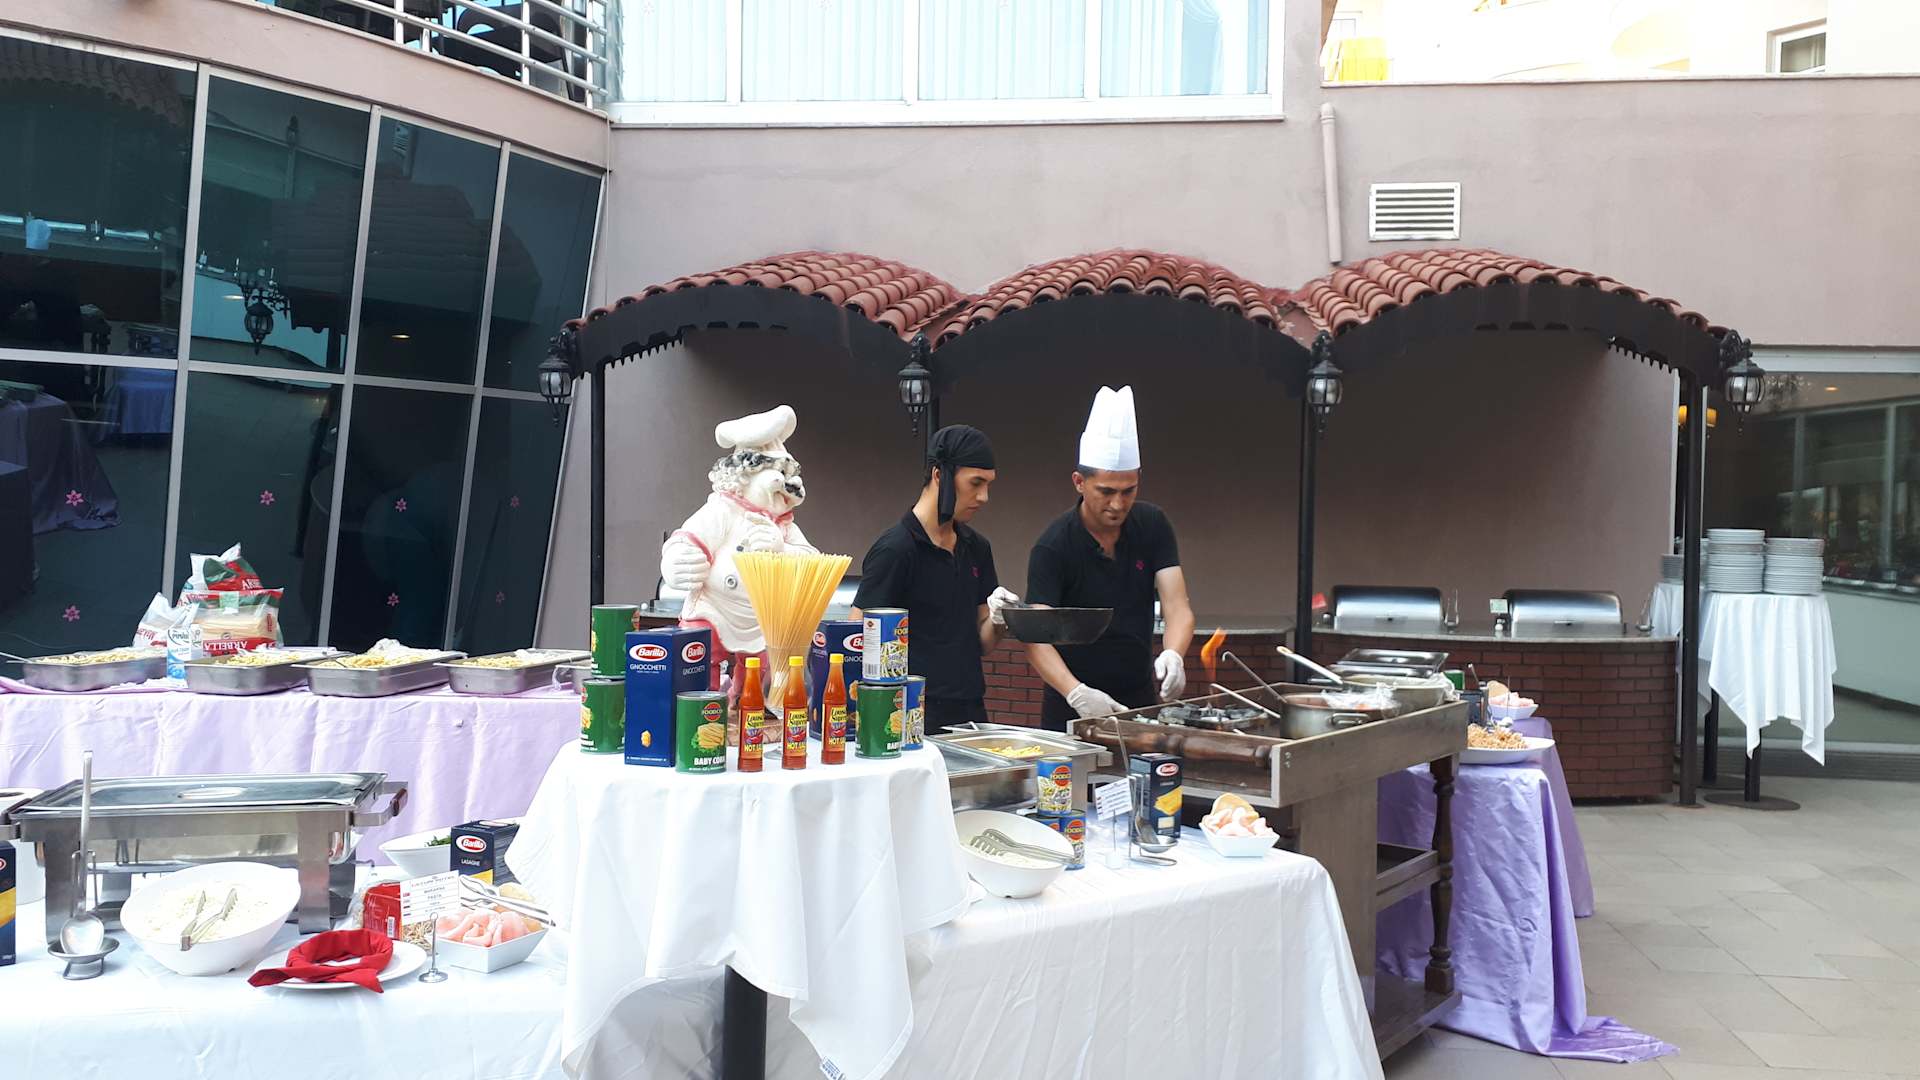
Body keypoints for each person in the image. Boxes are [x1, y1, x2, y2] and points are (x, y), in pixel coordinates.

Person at [1025, 386, 1196, 731]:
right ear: (1079, 482)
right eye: (1106, 491)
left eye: (1128, 491)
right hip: (1071, 705)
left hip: (1139, 696)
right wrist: (1076, 693)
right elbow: (1036, 638)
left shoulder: (1153, 525)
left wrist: (1174, 654)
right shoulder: (1054, 546)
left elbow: (1178, 606)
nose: (1118, 504)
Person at [852, 425, 1019, 729]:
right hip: (910, 710)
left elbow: (983, 644)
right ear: (939, 475)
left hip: (970, 707)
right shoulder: (896, 549)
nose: (983, 497)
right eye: (976, 483)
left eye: (988, 485)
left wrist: (999, 618)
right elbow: (858, 634)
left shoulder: (977, 548)